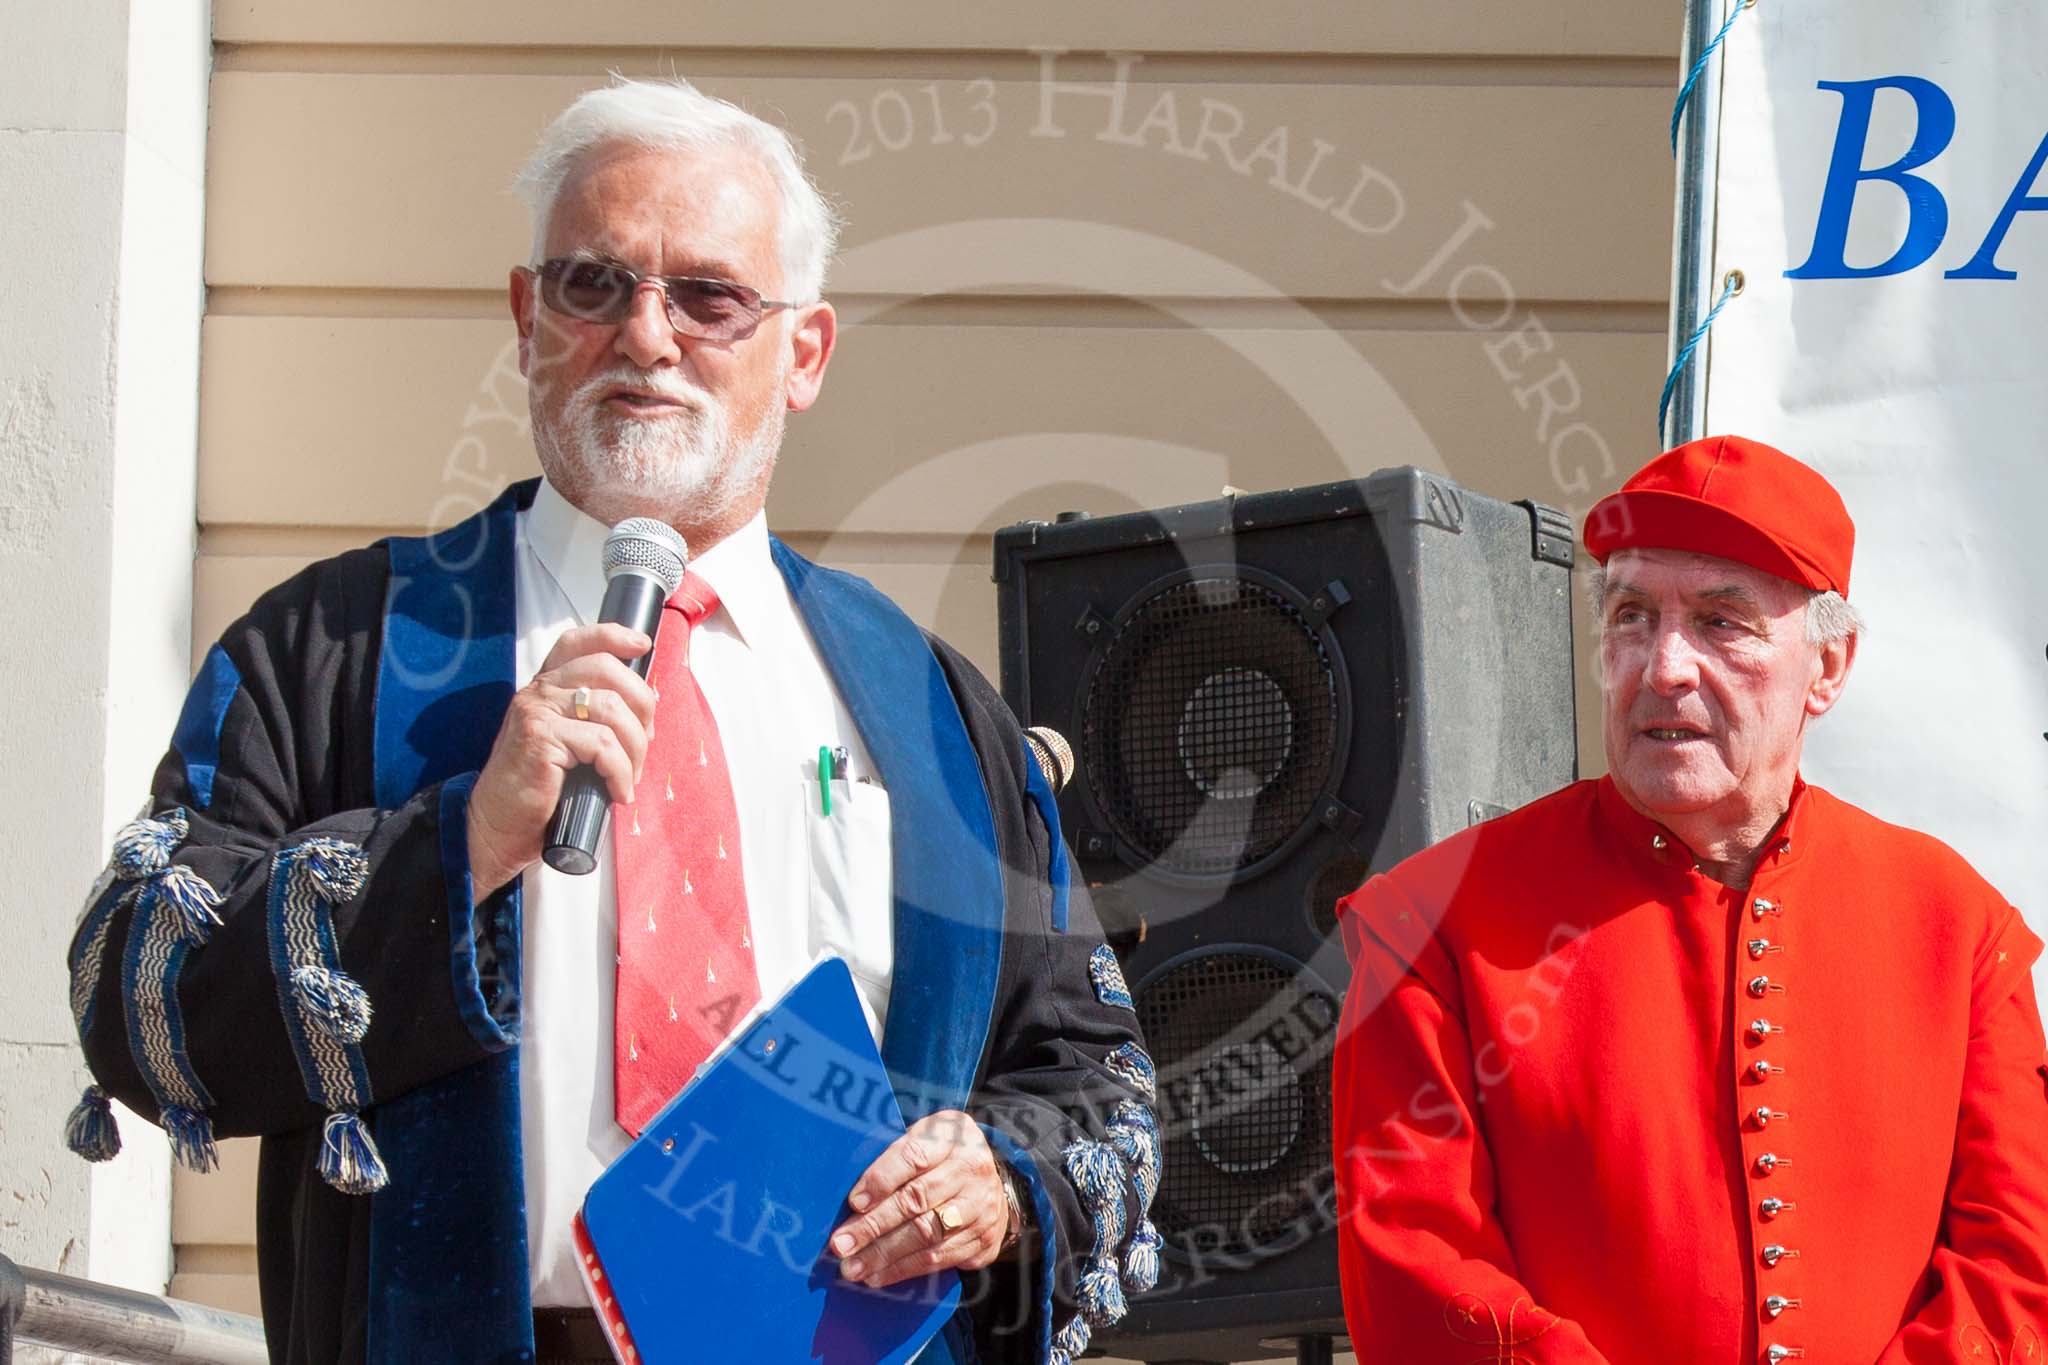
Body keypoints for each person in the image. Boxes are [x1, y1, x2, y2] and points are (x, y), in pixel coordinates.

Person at [63, 78, 1159, 1365]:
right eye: (594, 286)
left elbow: (1099, 1086)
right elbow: (132, 987)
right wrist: (456, 847)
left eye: (708, 296)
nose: (646, 336)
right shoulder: (342, 648)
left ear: (801, 353)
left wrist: (1001, 1175)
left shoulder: (926, 708)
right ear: (529, 319)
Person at [1331, 434, 2048, 1362]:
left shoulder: (1957, 925)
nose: (1663, 666)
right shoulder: (1430, 922)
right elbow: (1415, 1261)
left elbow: (2019, 1263)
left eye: (1722, 620)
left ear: (1828, 667)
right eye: (1632, 616)